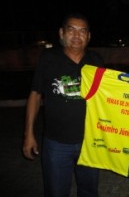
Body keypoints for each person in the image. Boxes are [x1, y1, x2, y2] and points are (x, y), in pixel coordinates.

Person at [22, 12, 104, 197]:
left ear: (89, 36)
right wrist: (28, 134)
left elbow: (111, 93)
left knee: (90, 191)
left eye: (83, 31)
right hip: (56, 144)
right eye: (71, 30)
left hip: (90, 142)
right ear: (61, 33)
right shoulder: (49, 58)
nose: (77, 35)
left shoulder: (96, 60)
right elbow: (35, 95)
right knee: (56, 192)